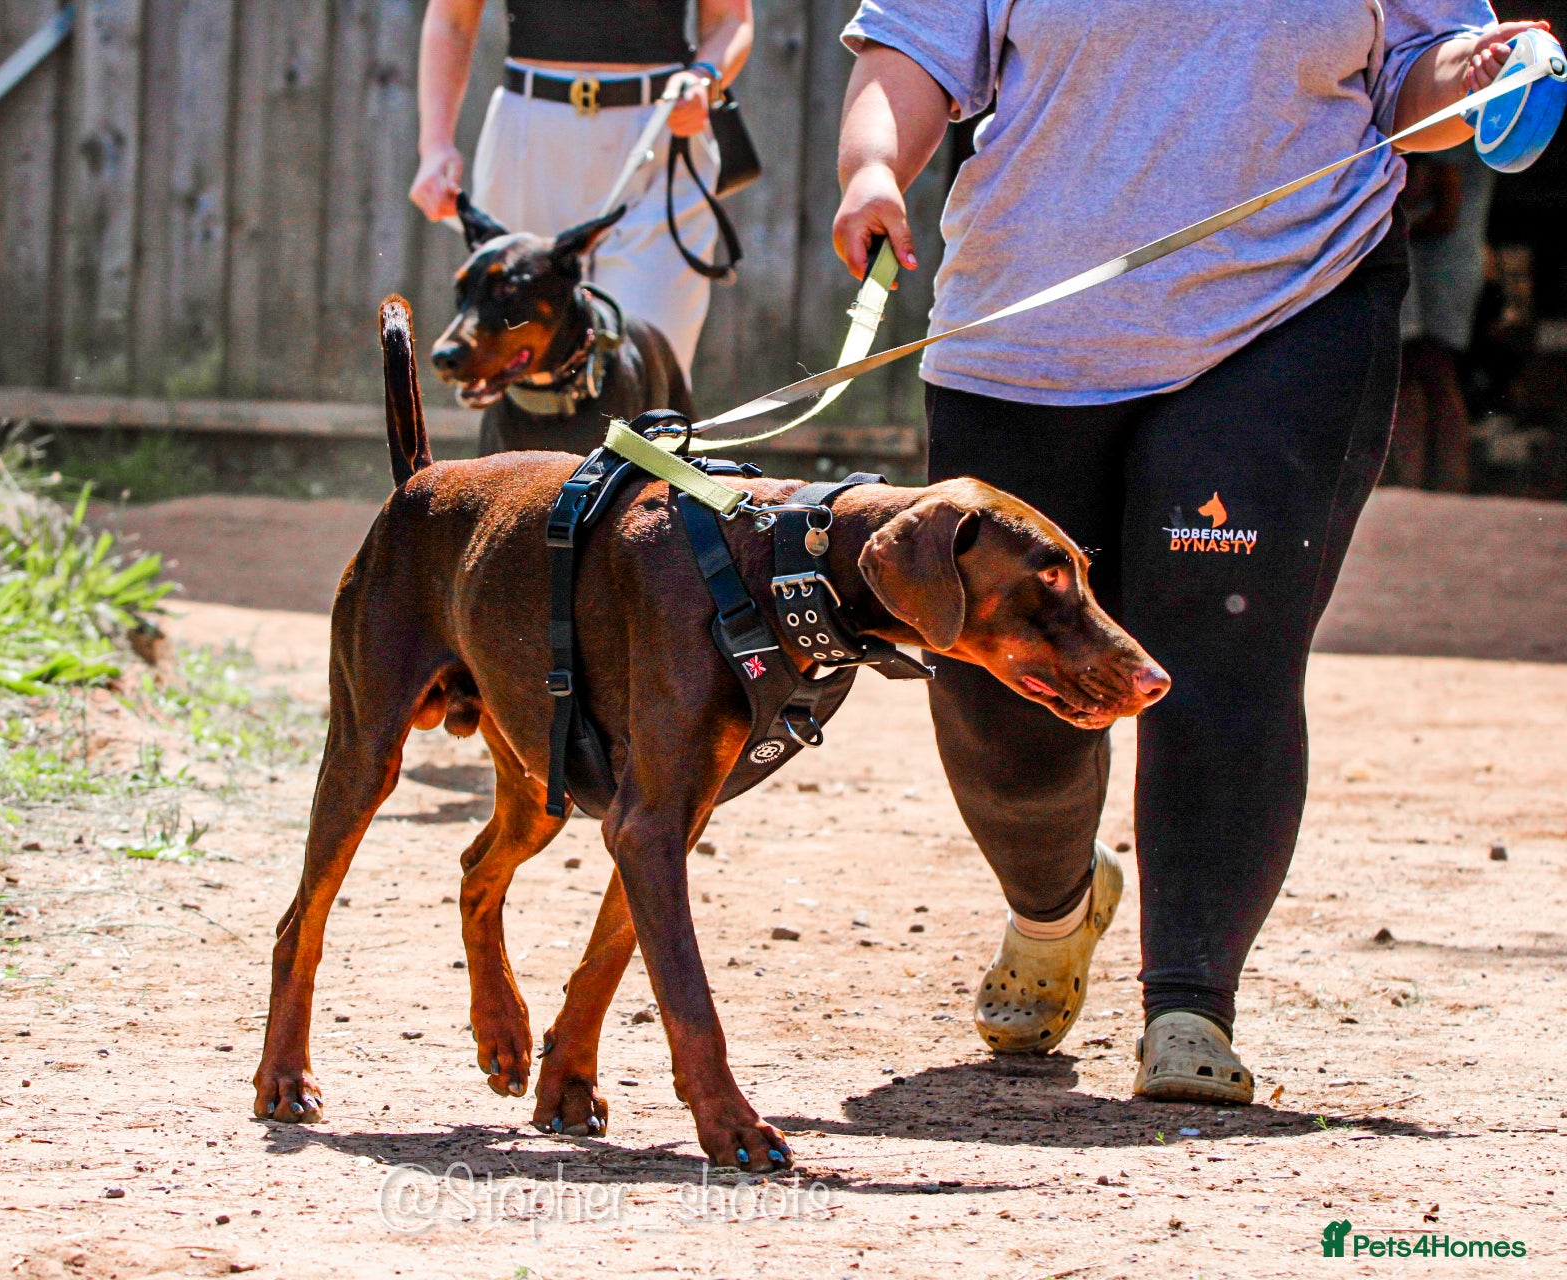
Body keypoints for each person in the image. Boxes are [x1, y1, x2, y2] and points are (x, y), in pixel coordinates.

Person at [831, 2, 1548, 1102]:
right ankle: (1053, 905)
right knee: (1002, 698)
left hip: (1288, 304)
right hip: (1026, 334)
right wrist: (875, 167)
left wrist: (1476, 74)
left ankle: (1189, 1005)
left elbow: (1414, 80)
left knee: (1222, 653)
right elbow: (914, 52)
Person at [410, 0, 754, 380]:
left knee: (647, 374)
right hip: (529, 138)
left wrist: (705, 77)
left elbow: (730, 20)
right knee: (509, 376)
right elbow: (452, 20)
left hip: (660, 134)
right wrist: (435, 144)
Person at [1392, 148, 1496, 491]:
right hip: (1445, 263)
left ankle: (1436, 484)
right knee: (1426, 375)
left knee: (1427, 373)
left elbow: (1445, 213)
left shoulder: (1457, 138)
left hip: (1444, 266)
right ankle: (1433, 484)